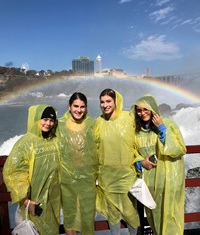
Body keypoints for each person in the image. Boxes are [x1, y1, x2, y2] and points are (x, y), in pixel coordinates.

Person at [130, 94, 186, 235]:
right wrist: (140, 162)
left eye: (145, 109)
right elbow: (130, 153)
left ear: (152, 109)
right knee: (155, 219)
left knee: (171, 218)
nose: (142, 113)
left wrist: (162, 130)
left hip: (170, 182)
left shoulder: (167, 123)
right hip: (151, 184)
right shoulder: (136, 132)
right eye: (139, 110)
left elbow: (179, 149)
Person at [3, 105, 61, 235]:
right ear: (36, 119)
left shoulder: (54, 141)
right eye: (45, 119)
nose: (48, 123)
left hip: (53, 202)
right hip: (33, 204)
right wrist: (26, 201)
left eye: (52, 120)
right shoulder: (25, 143)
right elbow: (13, 172)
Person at [95, 88, 140, 235]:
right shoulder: (98, 122)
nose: (105, 105)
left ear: (116, 101)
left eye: (108, 101)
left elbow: (140, 140)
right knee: (112, 213)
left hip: (126, 176)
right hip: (106, 177)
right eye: (102, 102)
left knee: (130, 213)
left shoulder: (128, 118)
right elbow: (93, 148)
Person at [57, 92, 97, 235]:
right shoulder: (59, 125)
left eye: (82, 107)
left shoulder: (92, 124)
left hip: (88, 180)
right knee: (69, 216)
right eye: (75, 106)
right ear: (69, 106)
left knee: (88, 217)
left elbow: (100, 148)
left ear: (86, 108)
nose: (79, 110)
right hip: (67, 181)